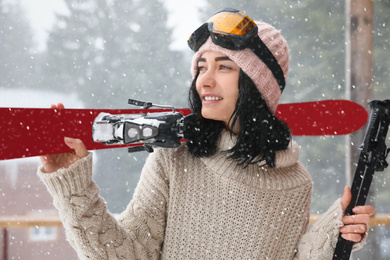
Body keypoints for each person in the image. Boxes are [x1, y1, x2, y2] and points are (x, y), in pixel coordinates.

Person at [38, 8, 375, 259]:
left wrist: (335, 233)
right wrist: (74, 187)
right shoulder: (175, 159)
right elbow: (125, 253)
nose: (204, 80)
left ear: (257, 86)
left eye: (224, 67)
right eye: (202, 67)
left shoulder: (295, 182)